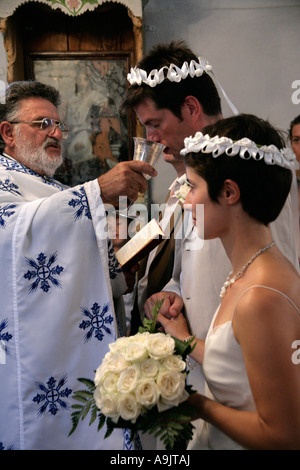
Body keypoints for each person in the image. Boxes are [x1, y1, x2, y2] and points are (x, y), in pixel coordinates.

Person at [120, 41, 299, 436]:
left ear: (190, 108)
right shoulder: (192, 175)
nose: (149, 138)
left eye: (153, 124)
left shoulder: (252, 174)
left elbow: (278, 276)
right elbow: (188, 264)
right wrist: (172, 291)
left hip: (249, 385)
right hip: (203, 365)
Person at [0, 80, 156, 450]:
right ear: (7, 133)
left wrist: (117, 269)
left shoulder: (43, 186)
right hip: (31, 362)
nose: (56, 133)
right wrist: (96, 191)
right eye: (42, 125)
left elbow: (62, 264)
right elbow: (12, 234)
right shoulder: (5, 183)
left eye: (59, 125)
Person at [156, 114, 300, 450]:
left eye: (192, 186)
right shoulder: (249, 270)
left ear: (229, 192)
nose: (186, 200)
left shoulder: (261, 295)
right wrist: (185, 339)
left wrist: (199, 406)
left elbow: (285, 436)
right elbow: (238, 362)